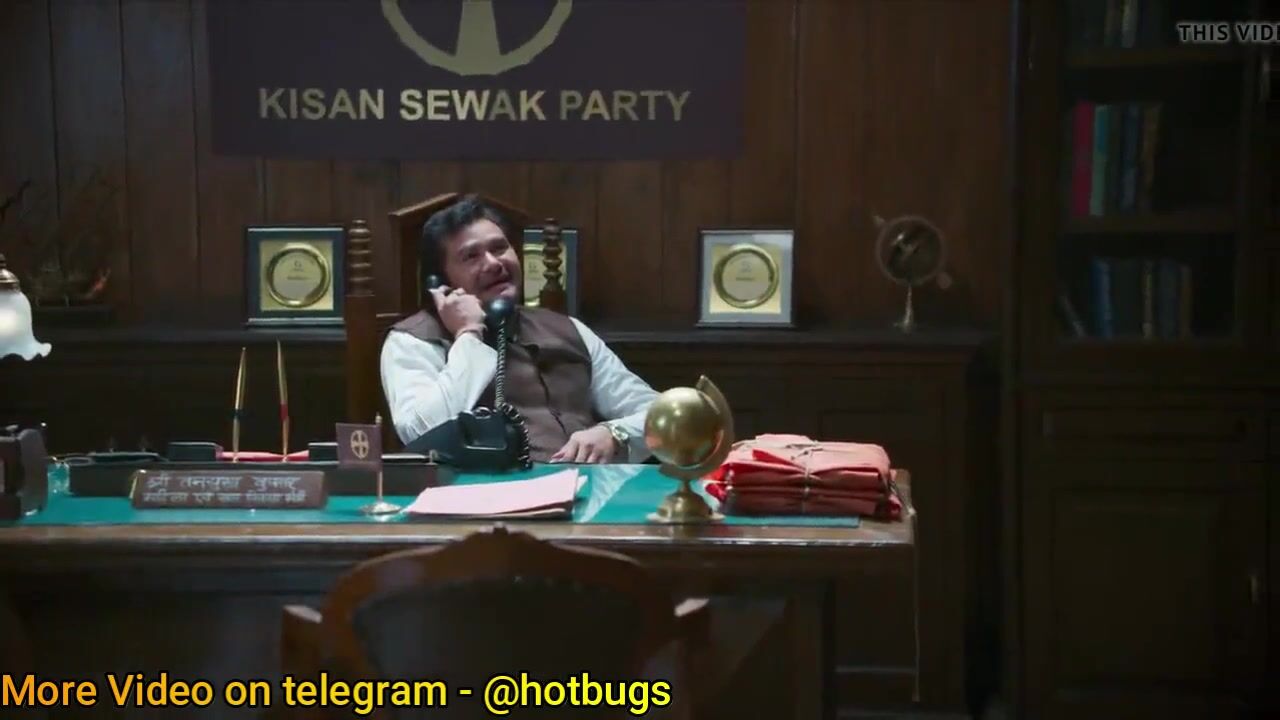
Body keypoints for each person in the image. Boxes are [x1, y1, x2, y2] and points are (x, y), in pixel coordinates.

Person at [379, 194, 658, 464]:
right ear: (441, 282)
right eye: (471, 256)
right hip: (478, 492)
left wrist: (615, 433)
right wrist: (469, 333)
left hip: (588, 486)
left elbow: (656, 413)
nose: (493, 263)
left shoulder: (568, 329)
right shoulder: (413, 340)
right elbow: (421, 432)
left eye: (499, 248)